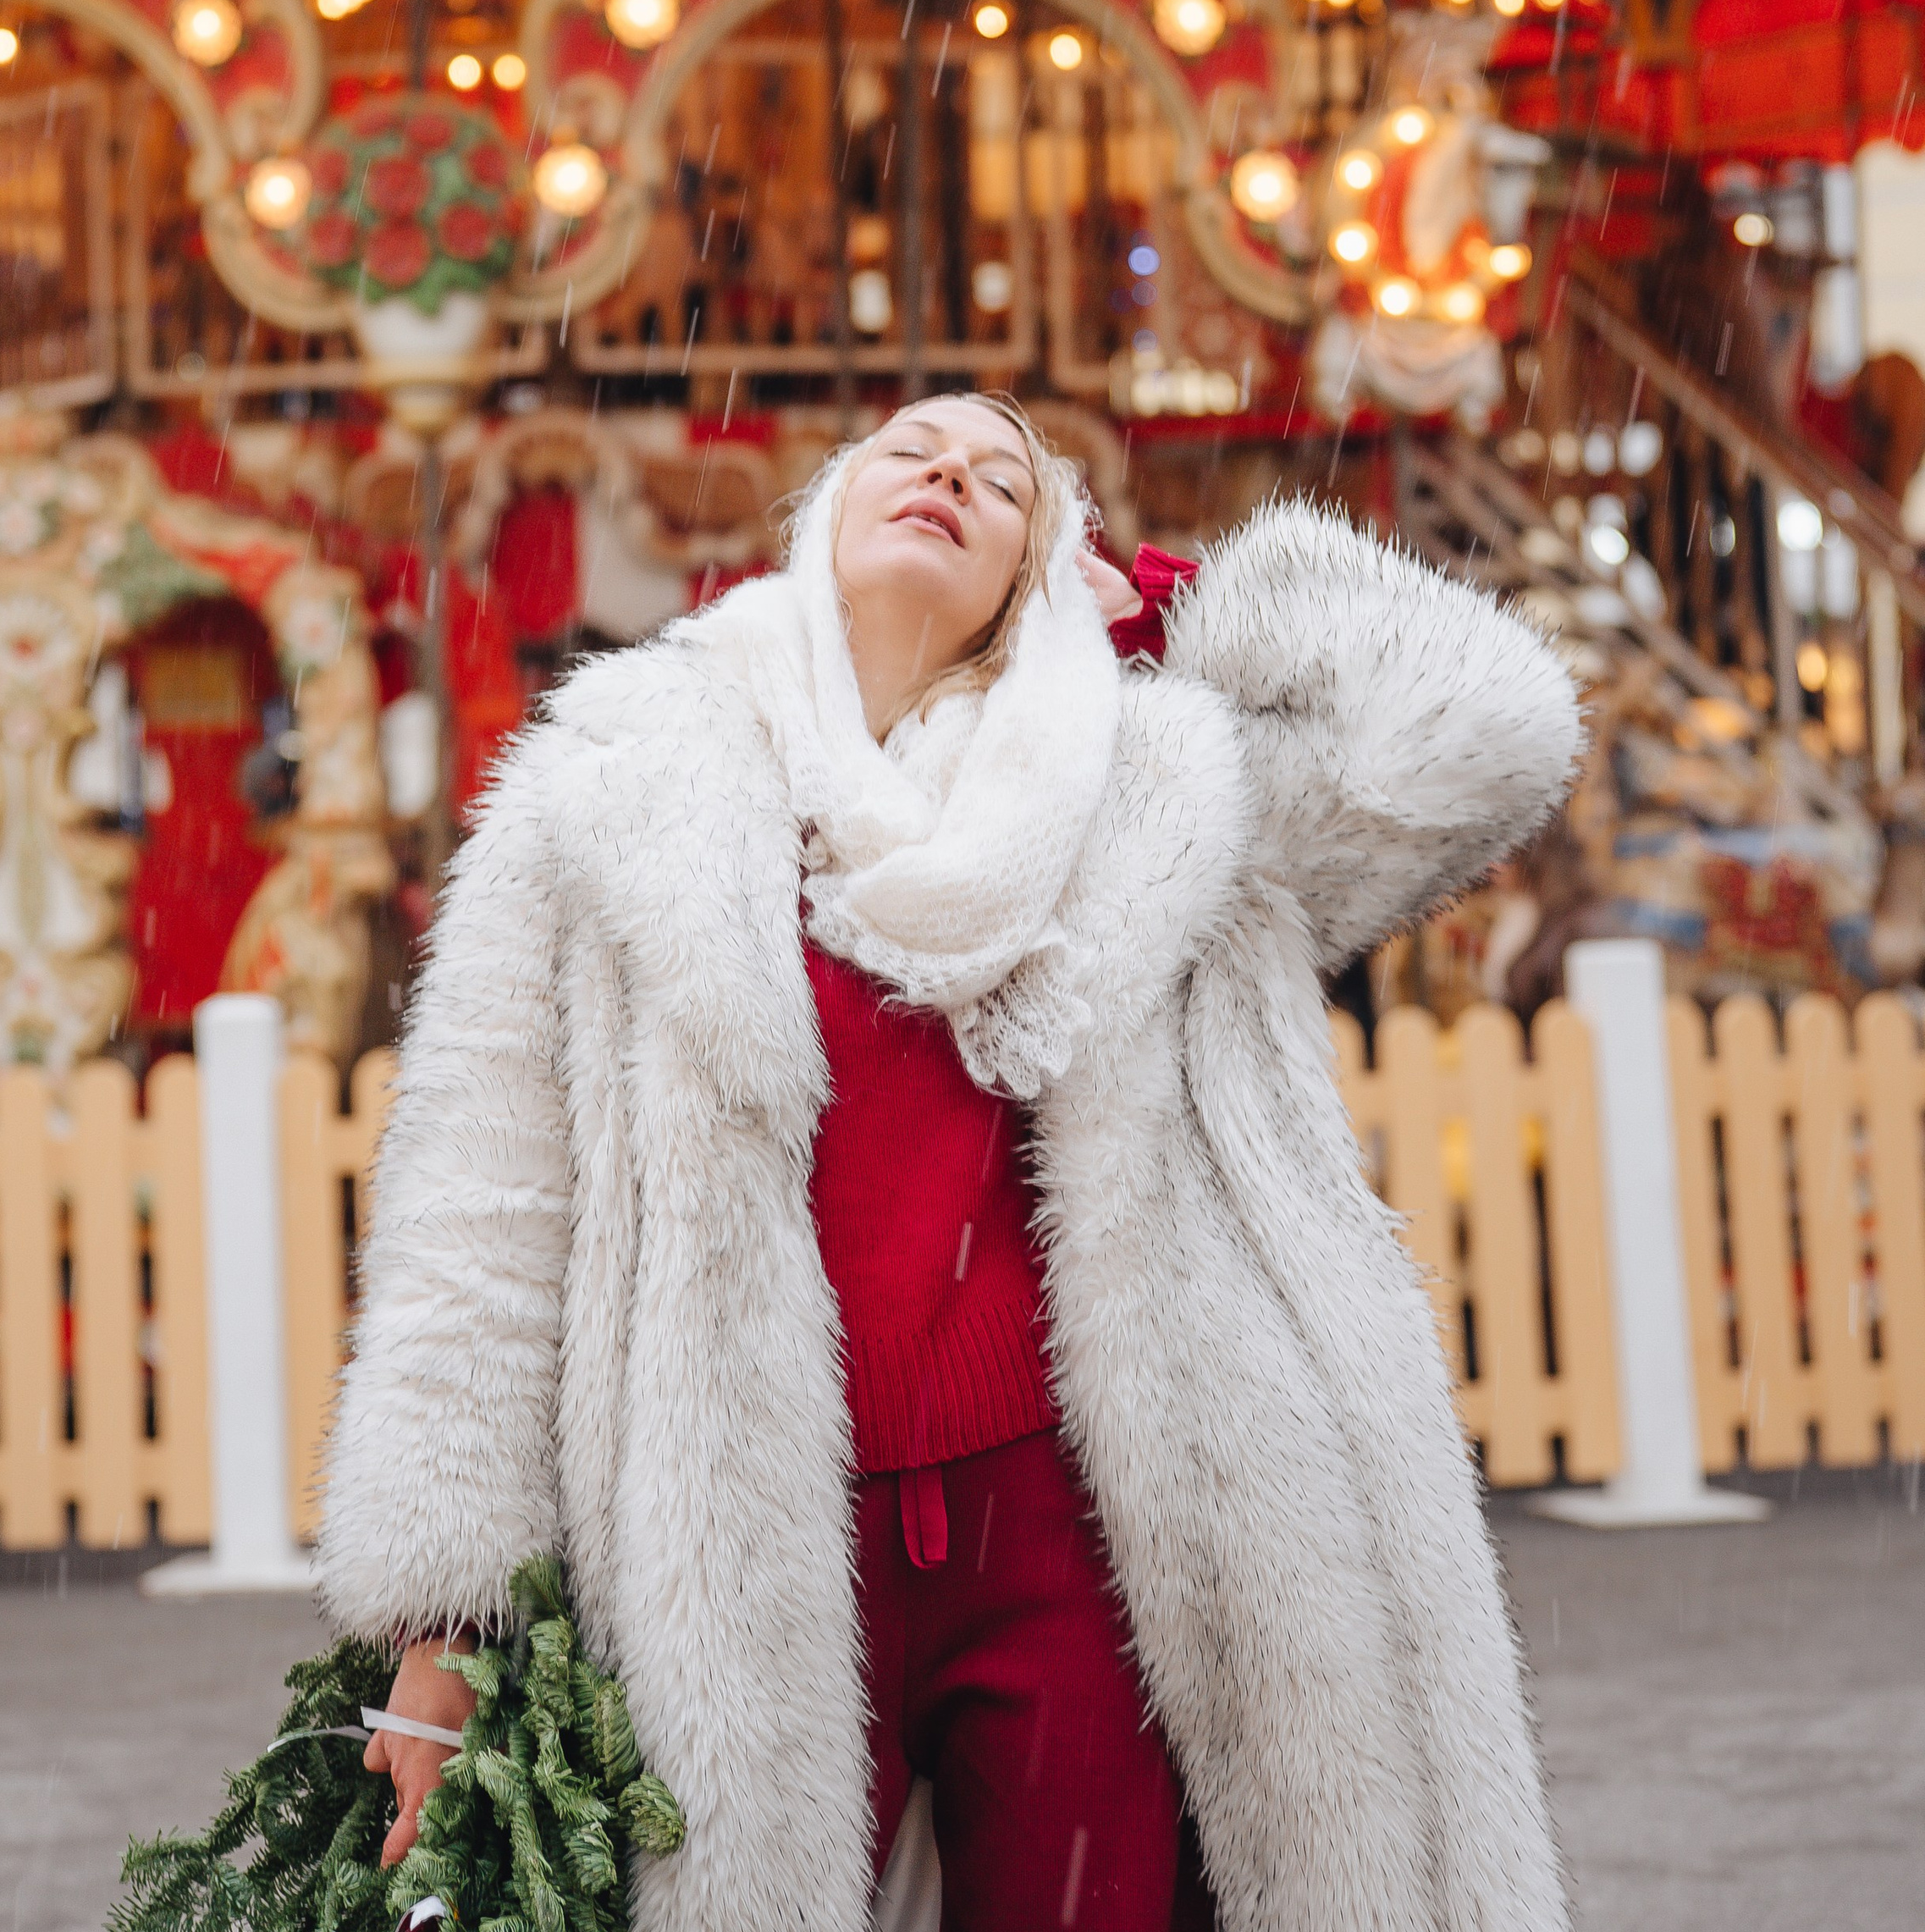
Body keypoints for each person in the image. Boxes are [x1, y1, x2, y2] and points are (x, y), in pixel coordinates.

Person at [317, 393, 1582, 1932]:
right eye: (909, 450)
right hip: (732, 1527)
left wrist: (1173, 601)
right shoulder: (613, 784)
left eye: (1004, 483)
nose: (947, 476)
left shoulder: (1157, 784)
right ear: (825, 509)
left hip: (1073, 1527)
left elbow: (1486, 735)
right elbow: (484, 1213)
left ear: (1043, 571)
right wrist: (447, 1609)